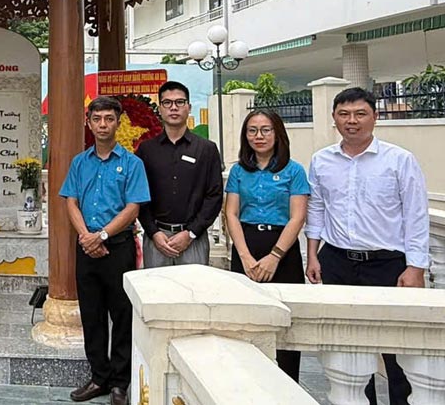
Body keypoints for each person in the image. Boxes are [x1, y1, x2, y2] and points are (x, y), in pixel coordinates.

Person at [305, 87, 428, 405]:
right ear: (334, 119)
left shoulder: (399, 160)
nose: (352, 121)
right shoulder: (322, 161)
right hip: (336, 260)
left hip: (388, 264)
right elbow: (316, 209)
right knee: (348, 347)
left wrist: (415, 267)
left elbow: (415, 215)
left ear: (375, 117)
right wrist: (312, 256)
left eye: (360, 114)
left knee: (397, 349)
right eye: (344, 114)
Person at [59, 96, 150, 405]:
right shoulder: (79, 162)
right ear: (89, 122)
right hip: (86, 247)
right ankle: (99, 377)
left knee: (122, 315)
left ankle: (120, 383)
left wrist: (102, 235)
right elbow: (70, 200)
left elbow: (134, 206)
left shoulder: (132, 163)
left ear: (118, 121)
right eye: (97, 119)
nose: (102, 125)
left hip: (118, 247)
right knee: (92, 314)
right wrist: (87, 237)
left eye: (109, 119)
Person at [224, 109, 309, 381]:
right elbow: (231, 214)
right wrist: (246, 257)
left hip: (282, 251)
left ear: (278, 134)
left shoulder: (294, 170)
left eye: (265, 130)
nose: (258, 136)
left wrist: (274, 256)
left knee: (285, 323)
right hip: (246, 246)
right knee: (246, 322)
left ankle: (286, 386)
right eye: (252, 130)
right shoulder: (239, 171)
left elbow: (298, 217)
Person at [136, 81, 222, 267]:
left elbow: (214, 196)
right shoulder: (146, 150)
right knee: (156, 293)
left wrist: (190, 233)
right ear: (160, 108)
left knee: (195, 293)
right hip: (156, 239)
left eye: (180, 102)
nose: (173, 108)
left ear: (189, 107)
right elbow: (139, 196)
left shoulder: (206, 149)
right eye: (167, 103)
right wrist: (153, 232)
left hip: (193, 238)